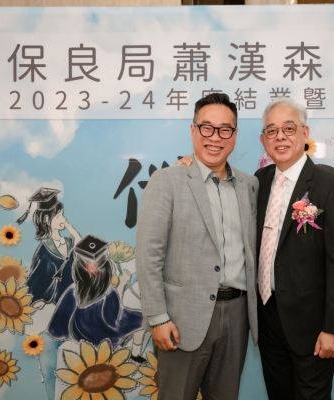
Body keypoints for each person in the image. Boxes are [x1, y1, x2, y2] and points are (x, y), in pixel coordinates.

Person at [135, 93, 259, 400]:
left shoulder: (249, 185)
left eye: (224, 129)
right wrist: (158, 317)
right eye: (206, 127)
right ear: (193, 131)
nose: (215, 137)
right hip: (182, 318)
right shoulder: (167, 181)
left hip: (237, 315)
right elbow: (149, 255)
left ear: (235, 135)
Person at [256, 97, 334, 400]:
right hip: (267, 319)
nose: (280, 137)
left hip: (312, 326)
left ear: (305, 133)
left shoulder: (330, 186)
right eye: (272, 131)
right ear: (263, 140)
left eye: (289, 128)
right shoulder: (259, 182)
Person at [47, 234, 143, 349]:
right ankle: (135, 353)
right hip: (104, 337)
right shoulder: (109, 292)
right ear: (106, 268)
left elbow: (58, 325)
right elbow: (115, 317)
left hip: (79, 336)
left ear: (78, 269)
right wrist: (122, 283)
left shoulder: (73, 290)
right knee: (142, 319)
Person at [19, 188, 82, 308]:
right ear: (47, 220)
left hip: (73, 296)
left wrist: (68, 225)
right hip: (54, 302)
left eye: (62, 215)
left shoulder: (68, 242)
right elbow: (38, 276)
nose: (63, 219)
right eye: (59, 216)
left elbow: (79, 244)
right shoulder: (44, 249)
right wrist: (41, 299)